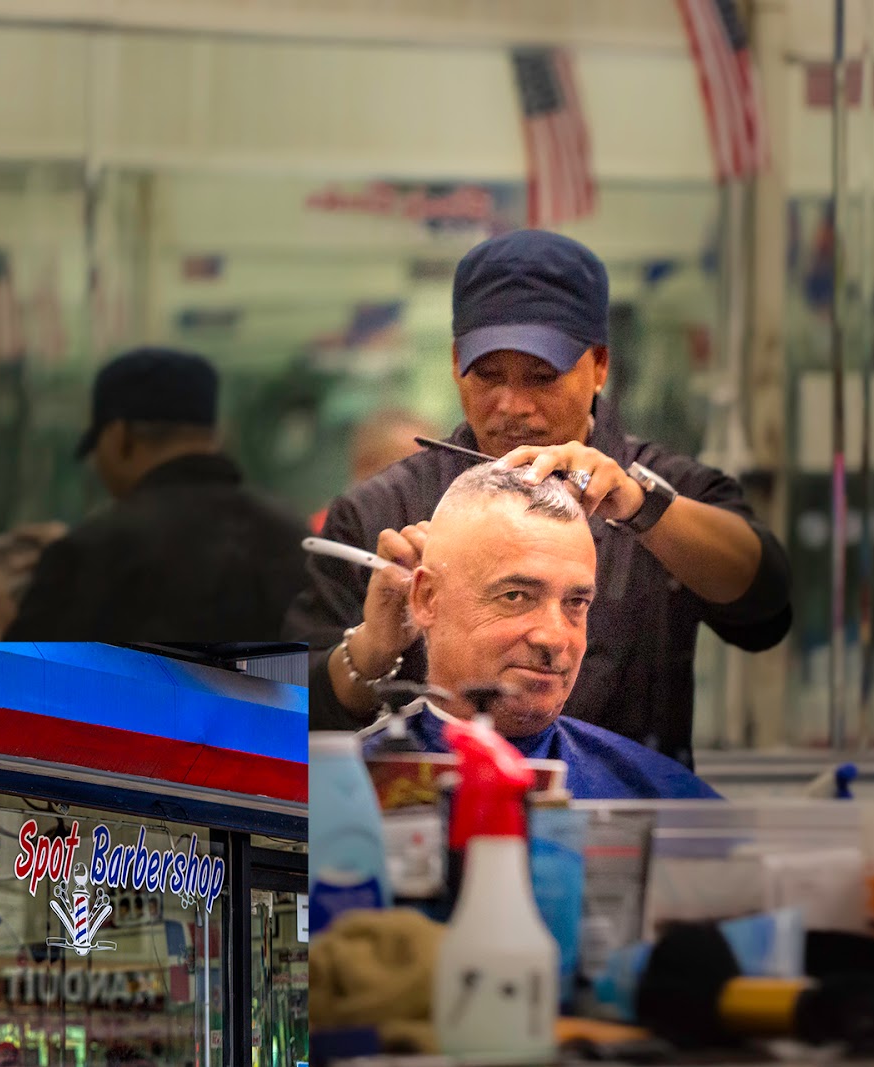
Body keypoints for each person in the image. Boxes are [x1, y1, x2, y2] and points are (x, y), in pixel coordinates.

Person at [290, 229, 792, 766]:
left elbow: (766, 608)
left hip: (621, 829)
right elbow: (297, 716)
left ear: (599, 366)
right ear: (457, 361)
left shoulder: (666, 490)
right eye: (487, 375)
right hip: (428, 827)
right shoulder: (380, 512)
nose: (512, 404)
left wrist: (639, 506)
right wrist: (371, 650)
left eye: (540, 377)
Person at [368, 464, 718, 800]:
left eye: (576, 602)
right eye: (515, 596)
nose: (554, 637)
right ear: (427, 599)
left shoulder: (659, 795)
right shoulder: (344, 791)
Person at [5, 347, 308, 641]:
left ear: (119, 437)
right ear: (216, 434)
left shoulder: (91, 553)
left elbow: (23, 687)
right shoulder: (291, 536)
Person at [309, 407, 435, 535]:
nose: (422, 482)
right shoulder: (329, 535)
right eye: (408, 469)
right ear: (365, 467)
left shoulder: (437, 531)